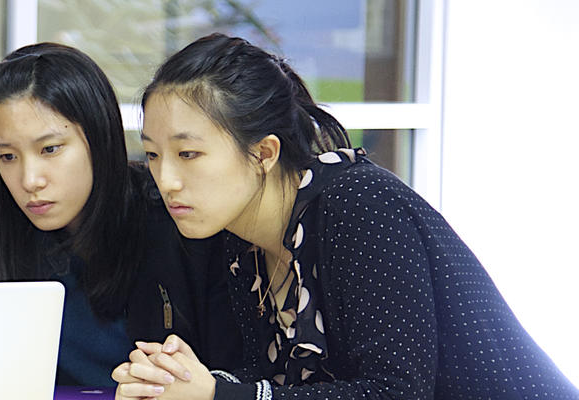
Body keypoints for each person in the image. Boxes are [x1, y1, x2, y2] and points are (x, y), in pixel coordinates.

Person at [113, 33, 578, 399]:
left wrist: (220, 393)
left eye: (188, 154)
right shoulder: (242, 239)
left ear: (264, 152)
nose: (166, 179)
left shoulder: (357, 205)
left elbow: (395, 393)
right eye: (153, 155)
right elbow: (276, 383)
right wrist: (175, 380)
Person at [0, 42, 238, 388]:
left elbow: (230, 370)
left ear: (100, 137)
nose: (29, 180)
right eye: (7, 156)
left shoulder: (169, 212)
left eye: (50, 149)